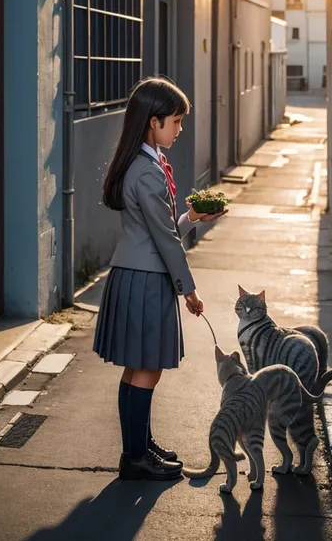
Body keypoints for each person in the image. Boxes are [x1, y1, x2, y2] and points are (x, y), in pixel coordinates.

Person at [93, 77, 227, 482]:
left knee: (137, 369)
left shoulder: (141, 163)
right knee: (147, 368)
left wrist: (192, 218)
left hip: (135, 273)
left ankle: (139, 448)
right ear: (154, 122)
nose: (180, 129)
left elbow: (161, 228)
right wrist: (189, 289)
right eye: (176, 121)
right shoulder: (148, 172)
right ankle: (135, 457)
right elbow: (165, 239)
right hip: (146, 280)